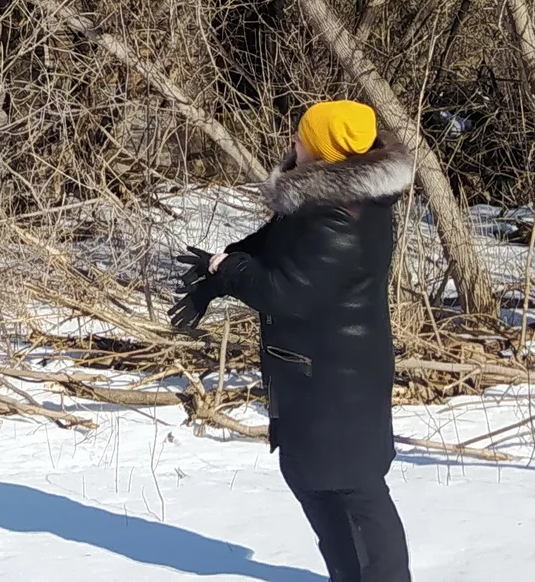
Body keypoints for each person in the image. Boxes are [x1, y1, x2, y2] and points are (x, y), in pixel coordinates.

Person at [171, 99, 414, 582]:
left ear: (325, 150)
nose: (293, 143)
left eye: (303, 138)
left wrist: (230, 269)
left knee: (355, 489)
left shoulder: (341, 217)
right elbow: (274, 245)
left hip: (338, 379)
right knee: (311, 479)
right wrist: (217, 272)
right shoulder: (326, 201)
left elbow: (288, 291)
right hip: (316, 372)